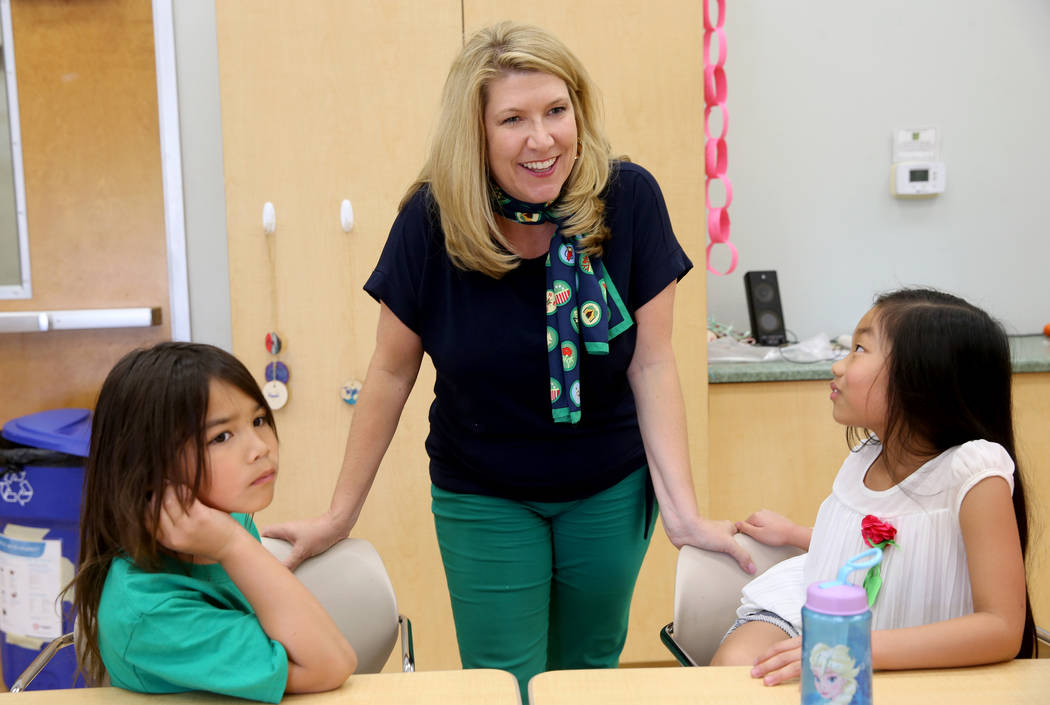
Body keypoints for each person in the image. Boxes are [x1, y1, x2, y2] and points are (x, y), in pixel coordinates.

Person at [262, 21, 753, 697]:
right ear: (477, 132)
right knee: (506, 682)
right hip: (483, 490)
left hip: (607, 485)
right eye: (513, 119)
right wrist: (340, 513)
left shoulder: (628, 199)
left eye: (557, 111)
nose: (542, 138)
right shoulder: (433, 220)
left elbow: (652, 363)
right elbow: (391, 371)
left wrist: (684, 512)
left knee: (587, 675)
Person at [710, 288, 1036, 684]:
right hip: (826, 613)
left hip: (913, 654)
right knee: (737, 669)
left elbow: (1001, 628)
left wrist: (860, 644)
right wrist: (799, 534)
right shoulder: (866, 456)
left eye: (859, 350)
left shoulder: (973, 474)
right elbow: (890, 549)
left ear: (923, 375)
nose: (838, 366)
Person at [70, 342, 356, 702]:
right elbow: (332, 664)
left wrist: (232, 542)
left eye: (259, 420)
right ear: (146, 465)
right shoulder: (149, 611)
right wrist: (233, 545)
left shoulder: (224, 523)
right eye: (221, 436)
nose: (260, 448)